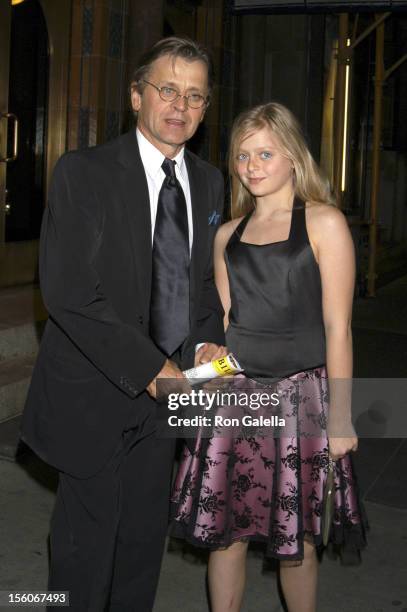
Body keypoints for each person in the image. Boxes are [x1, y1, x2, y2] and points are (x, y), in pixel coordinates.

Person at [20, 37, 226, 612]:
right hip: (95, 390)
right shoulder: (83, 173)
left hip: (170, 397)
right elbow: (69, 293)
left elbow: (202, 286)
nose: (179, 106)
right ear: (137, 96)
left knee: (141, 547)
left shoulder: (209, 183)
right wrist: (152, 368)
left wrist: (211, 343)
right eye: (167, 90)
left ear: (205, 108)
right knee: (83, 556)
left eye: (194, 96)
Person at [170, 102, 367, 612]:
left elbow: (337, 328)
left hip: (302, 397)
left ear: (293, 159)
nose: (252, 165)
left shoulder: (324, 223)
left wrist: (341, 418)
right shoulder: (225, 236)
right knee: (225, 530)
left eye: (265, 153)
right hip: (236, 397)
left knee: (296, 537)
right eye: (242, 155)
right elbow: (228, 328)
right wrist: (204, 360)